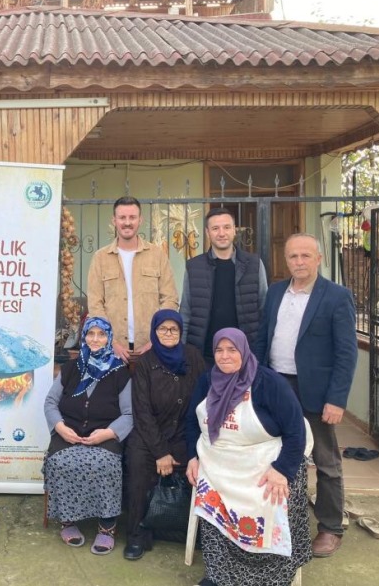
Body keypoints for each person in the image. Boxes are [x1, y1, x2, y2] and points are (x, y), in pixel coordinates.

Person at [255, 233, 358, 558]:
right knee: (276, 454)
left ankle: (330, 527)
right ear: (285, 261)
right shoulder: (274, 293)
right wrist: (256, 380)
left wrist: (337, 399)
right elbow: (262, 338)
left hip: (315, 391)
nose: (298, 262)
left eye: (305, 256)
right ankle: (281, 518)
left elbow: (346, 353)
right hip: (277, 385)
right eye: (292, 257)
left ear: (319, 258)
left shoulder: (336, 297)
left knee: (325, 461)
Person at [185, 328, 312, 586]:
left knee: (273, 499)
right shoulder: (207, 381)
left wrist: (283, 470)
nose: (224, 356)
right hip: (217, 464)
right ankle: (220, 576)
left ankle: (270, 578)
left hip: (266, 463)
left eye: (232, 349)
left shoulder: (267, 382)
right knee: (212, 499)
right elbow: (190, 422)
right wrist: (192, 457)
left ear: (243, 351)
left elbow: (296, 430)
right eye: (219, 350)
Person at [43, 317, 132, 555]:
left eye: (101, 334)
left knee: (105, 464)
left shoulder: (119, 372)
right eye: (90, 334)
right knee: (63, 462)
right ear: (83, 337)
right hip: (68, 432)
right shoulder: (71, 368)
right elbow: (51, 402)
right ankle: (68, 521)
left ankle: (107, 526)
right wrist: (60, 427)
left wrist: (108, 433)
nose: (95, 339)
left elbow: (129, 413)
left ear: (109, 338)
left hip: (104, 434)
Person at [123, 309, 205, 560]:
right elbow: (142, 411)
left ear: (180, 332)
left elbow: (205, 399)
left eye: (173, 329)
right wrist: (160, 452)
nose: (168, 333)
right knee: (138, 466)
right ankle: (137, 534)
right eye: (162, 329)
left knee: (196, 471)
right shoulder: (146, 363)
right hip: (150, 434)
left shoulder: (193, 357)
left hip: (183, 432)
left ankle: (181, 528)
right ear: (154, 332)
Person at [87, 196, 178, 361]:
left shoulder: (157, 255)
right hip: (112, 350)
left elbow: (170, 299)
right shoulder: (100, 258)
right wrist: (110, 341)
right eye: (122, 217)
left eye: (132, 217)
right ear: (114, 220)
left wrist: (157, 338)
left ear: (140, 220)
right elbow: (95, 305)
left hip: (151, 347)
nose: (127, 222)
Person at [180, 207, 267, 367]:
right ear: (207, 232)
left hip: (243, 355)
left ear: (234, 230)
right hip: (203, 356)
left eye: (227, 227)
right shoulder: (194, 267)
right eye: (215, 228)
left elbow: (263, 311)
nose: (221, 233)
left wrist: (261, 353)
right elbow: (185, 313)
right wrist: (183, 351)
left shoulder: (254, 264)